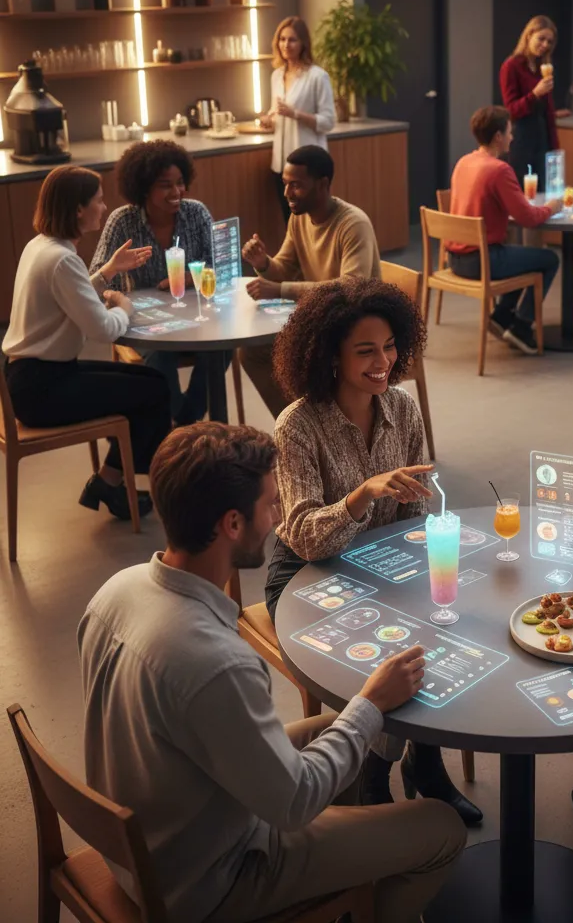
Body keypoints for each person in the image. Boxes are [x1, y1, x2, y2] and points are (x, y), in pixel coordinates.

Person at [78, 422, 466, 923]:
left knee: (345, 728)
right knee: (441, 827)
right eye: (270, 503)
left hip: (146, 841)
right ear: (233, 524)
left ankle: (350, 890)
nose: (279, 515)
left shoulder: (115, 591)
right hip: (212, 878)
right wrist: (368, 705)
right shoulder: (217, 661)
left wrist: (363, 714)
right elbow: (294, 800)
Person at [266, 276, 483, 827]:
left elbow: (415, 515)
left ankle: (423, 765)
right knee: (389, 649)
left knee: (442, 622)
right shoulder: (296, 426)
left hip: (385, 563)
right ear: (329, 356)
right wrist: (362, 495)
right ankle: (373, 771)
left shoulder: (403, 410)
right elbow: (305, 535)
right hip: (307, 576)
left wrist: (417, 558)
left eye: (389, 346)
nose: (383, 361)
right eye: (365, 350)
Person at [3, 165, 169, 520]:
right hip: (42, 389)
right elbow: (105, 330)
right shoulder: (62, 258)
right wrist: (124, 307)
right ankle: (122, 482)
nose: (104, 207)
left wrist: (107, 271)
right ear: (78, 209)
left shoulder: (43, 247)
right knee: (153, 394)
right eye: (98, 200)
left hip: (31, 376)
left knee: (152, 382)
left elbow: (69, 297)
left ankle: (110, 480)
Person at [89, 139, 229, 427]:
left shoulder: (196, 213)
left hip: (196, 318)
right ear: (143, 188)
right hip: (148, 324)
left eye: (180, 183)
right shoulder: (123, 221)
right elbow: (97, 276)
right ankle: (184, 422)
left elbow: (222, 267)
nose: (176, 192)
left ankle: (186, 420)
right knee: (159, 355)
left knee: (224, 346)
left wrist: (192, 277)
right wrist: (116, 294)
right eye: (166, 185)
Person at [240, 145, 382, 417]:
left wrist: (279, 289)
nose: (287, 193)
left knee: (296, 354)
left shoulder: (353, 224)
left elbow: (351, 286)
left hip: (357, 319)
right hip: (320, 316)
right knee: (253, 352)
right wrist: (264, 263)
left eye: (296, 185)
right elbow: (284, 266)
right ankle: (303, 424)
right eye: (285, 184)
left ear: (323, 184)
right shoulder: (299, 218)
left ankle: (313, 425)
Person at [448, 105, 561, 355]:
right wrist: (552, 207)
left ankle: (500, 316)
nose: (512, 137)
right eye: (509, 132)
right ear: (498, 136)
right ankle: (521, 326)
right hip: (482, 260)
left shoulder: (464, 162)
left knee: (520, 256)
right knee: (548, 259)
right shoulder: (499, 170)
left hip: (455, 259)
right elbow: (529, 218)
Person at [260, 16, 336, 225]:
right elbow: (278, 112)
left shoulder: (317, 77)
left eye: (292, 39)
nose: (286, 45)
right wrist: (269, 119)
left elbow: (329, 121)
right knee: (290, 222)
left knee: (312, 223)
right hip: (282, 164)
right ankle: (295, 259)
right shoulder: (276, 75)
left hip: (308, 166)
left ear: (303, 43)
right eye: (282, 39)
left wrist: (296, 114)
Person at [499, 15, 565, 187]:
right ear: (529, 35)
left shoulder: (542, 66)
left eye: (549, 42)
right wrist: (535, 93)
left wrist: (555, 147)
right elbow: (511, 110)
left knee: (546, 192)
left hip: (542, 138)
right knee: (522, 192)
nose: (545, 45)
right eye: (541, 39)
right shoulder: (511, 66)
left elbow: (547, 111)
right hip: (521, 138)